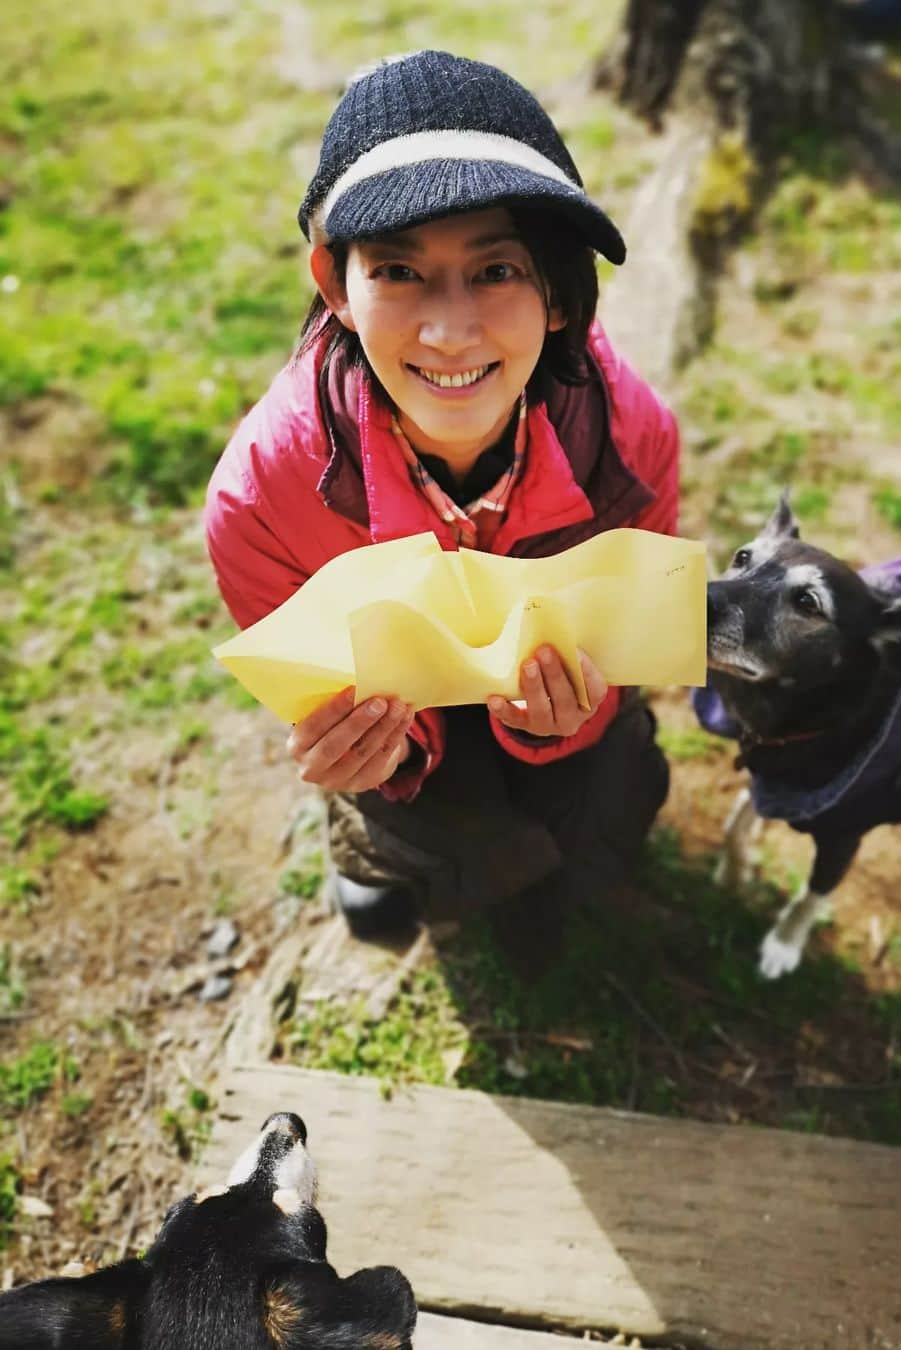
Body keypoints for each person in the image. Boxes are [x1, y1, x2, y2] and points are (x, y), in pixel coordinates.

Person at [204, 51, 679, 979]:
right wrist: (372, 759)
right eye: (400, 271)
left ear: (556, 290)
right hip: (413, 741)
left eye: (495, 267)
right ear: (337, 286)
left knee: (594, 844)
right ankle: (414, 864)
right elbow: (320, 697)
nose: (450, 331)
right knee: (390, 902)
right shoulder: (259, 499)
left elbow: (629, 662)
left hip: (567, 729)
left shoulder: (630, 436)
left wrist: (559, 722)